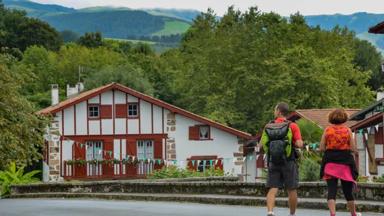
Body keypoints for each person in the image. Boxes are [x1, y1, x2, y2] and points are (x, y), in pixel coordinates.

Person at [260, 102, 303, 216]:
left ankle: (270, 211)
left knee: (272, 188)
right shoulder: (292, 126)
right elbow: (299, 144)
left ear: (278, 111)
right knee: (291, 189)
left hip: (273, 161)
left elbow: (261, 144)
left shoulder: (268, 126)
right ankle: (292, 214)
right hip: (289, 160)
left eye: (275, 110)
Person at [319, 109, 360, 216]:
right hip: (345, 163)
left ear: (331, 118)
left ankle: (333, 214)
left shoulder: (327, 130)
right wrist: (354, 152)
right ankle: (353, 213)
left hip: (330, 163)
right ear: (344, 118)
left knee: (331, 190)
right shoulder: (347, 130)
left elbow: (322, 148)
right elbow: (353, 147)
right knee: (348, 191)